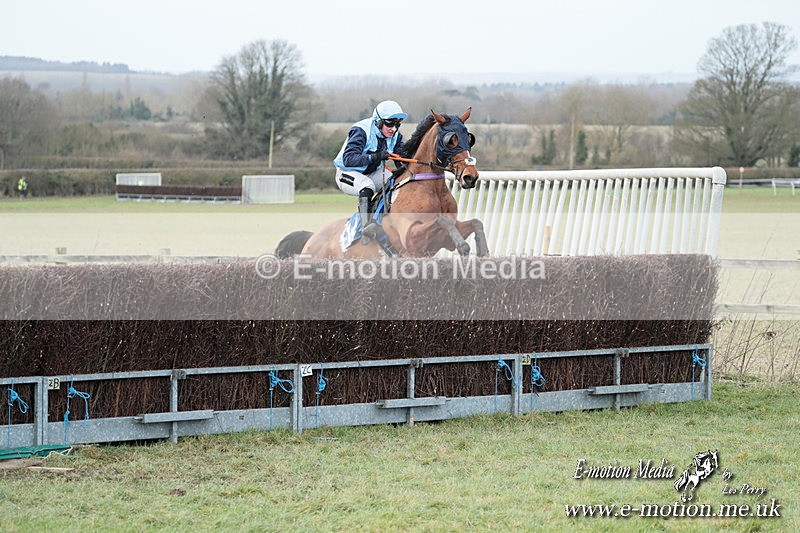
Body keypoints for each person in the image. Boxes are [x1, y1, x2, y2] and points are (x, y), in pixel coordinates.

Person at [333, 100, 406, 244]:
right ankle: (366, 227)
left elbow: (401, 160)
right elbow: (349, 159)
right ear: (378, 122)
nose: (394, 129)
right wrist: (376, 156)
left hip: (371, 173)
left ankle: (386, 217)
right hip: (346, 173)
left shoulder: (396, 136)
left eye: (397, 124)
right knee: (366, 185)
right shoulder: (361, 130)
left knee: (394, 180)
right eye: (390, 124)